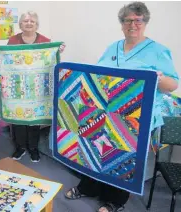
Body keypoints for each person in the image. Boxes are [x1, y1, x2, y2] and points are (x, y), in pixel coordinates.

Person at [64, 2, 179, 212]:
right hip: (106, 112)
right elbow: (97, 76)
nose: (132, 24)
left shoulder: (158, 51)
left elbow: (172, 85)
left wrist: (159, 79)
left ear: (145, 22)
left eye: (138, 20)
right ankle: (88, 187)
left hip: (136, 117)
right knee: (96, 148)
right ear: (121, 24)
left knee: (124, 157)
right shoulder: (113, 47)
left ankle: (114, 201)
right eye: (127, 20)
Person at [6, 11, 65, 163]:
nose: (29, 23)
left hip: (37, 87)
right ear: (20, 24)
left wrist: (58, 51)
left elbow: (50, 60)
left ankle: (33, 148)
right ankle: (20, 147)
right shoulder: (13, 40)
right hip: (17, 86)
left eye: (32, 21)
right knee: (18, 119)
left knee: (34, 119)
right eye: (25, 21)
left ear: (36, 24)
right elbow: (6, 60)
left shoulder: (45, 41)